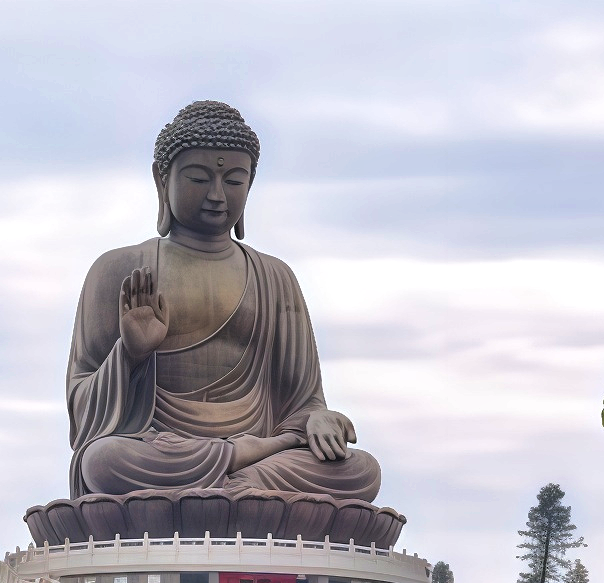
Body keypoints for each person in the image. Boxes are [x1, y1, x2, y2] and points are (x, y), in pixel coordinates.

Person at [65, 101, 382, 501]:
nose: (217, 195)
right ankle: (241, 485)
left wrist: (318, 419)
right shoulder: (119, 269)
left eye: (234, 181)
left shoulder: (275, 277)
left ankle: (234, 483)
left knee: (361, 470)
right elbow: (82, 414)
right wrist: (130, 355)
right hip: (162, 452)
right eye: (198, 178)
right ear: (162, 181)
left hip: (257, 463)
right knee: (104, 461)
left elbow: (302, 403)